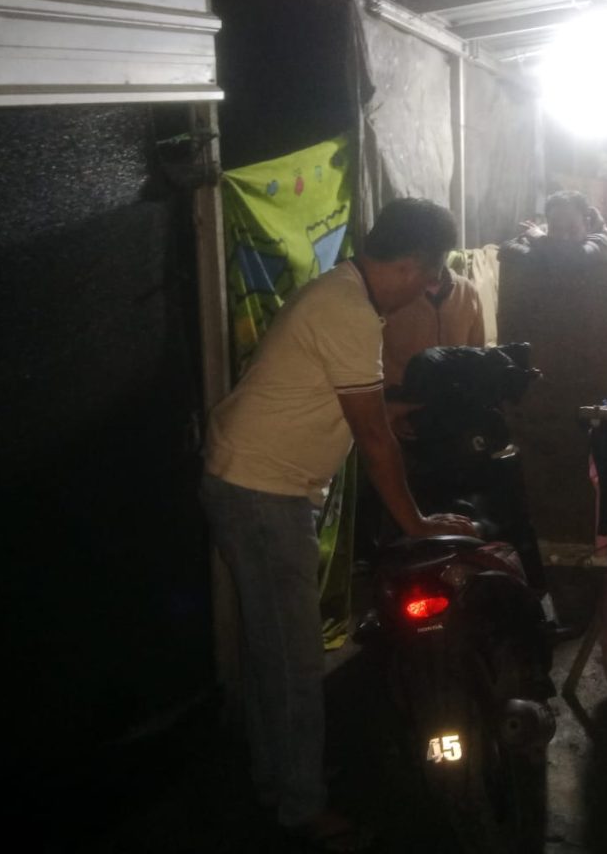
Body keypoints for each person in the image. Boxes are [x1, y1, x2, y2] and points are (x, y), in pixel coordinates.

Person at [202, 198, 475, 852]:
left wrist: (404, 412)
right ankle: (301, 810)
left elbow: (356, 402)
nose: (427, 289)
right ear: (409, 266)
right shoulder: (349, 310)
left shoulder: (345, 292)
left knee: (274, 651)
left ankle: (279, 780)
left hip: (256, 483)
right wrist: (417, 522)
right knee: (294, 659)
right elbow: (373, 439)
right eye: (429, 276)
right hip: (261, 491)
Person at [380, 265, 486, 390]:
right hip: (404, 394)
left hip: (457, 393)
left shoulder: (467, 290)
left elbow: (478, 349)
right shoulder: (392, 292)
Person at [502, 189, 607, 264]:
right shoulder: (545, 230)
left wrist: (540, 239)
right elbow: (505, 249)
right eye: (556, 229)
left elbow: (575, 257)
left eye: (572, 230)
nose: (564, 237)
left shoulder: (601, 239)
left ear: (587, 224)